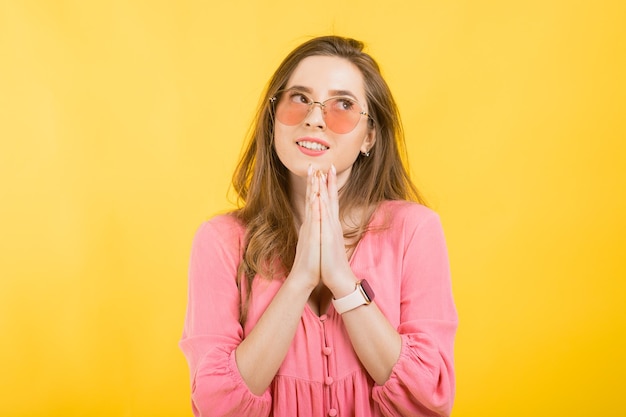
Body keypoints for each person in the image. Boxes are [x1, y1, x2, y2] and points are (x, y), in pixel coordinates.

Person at [179, 35, 458, 417]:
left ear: (370, 136)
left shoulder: (415, 231)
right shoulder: (221, 242)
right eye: (299, 98)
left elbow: (427, 400)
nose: (314, 117)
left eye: (342, 104)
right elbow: (216, 407)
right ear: (273, 117)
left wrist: (342, 280)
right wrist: (300, 280)